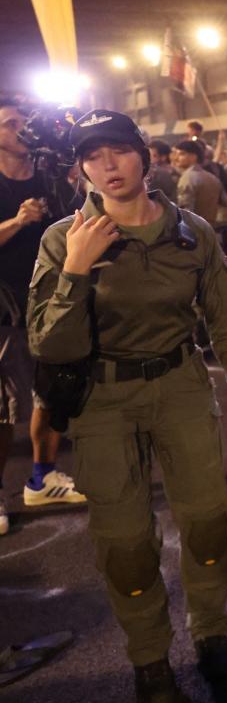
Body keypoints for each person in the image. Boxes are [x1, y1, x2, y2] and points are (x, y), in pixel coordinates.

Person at [27, 109, 227, 702]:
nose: (106, 166)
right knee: (126, 543)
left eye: (117, 150)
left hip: (179, 384)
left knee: (208, 522)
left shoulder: (191, 232)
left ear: (144, 154)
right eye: (91, 157)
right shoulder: (64, 238)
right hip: (103, 399)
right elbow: (50, 343)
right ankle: (149, 662)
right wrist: (76, 273)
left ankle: (212, 638)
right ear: (80, 168)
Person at [0, 97, 84, 534]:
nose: (19, 130)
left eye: (22, 122)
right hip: (5, 308)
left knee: (50, 394)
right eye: (9, 124)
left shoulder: (50, 178)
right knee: (2, 410)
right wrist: (16, 221)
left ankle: (42, 477)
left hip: (49, 301)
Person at [172, 140, 225, 234]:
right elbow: (225, 208)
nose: (176, 158)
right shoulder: (212, 178)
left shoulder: (187, 178)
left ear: (193, 157)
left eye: (181, 154)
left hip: (195, 233)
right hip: (211, 230)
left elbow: (185, 211)